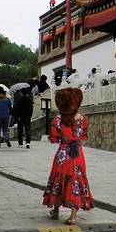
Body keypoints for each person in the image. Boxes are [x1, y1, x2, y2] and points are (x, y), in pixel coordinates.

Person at [43, 87, 93, 224]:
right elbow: (84, 136)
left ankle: (55, 210)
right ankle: (73, 215)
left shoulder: (58, 120)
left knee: (59, 179)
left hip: (63, 153)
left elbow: (54, 138)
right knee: (76, 179)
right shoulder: (83, 119)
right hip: (77, 154)